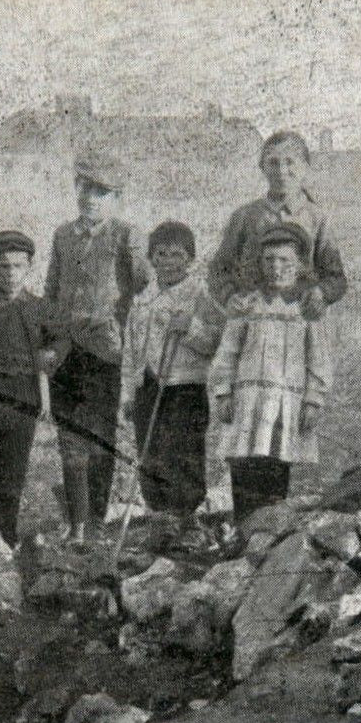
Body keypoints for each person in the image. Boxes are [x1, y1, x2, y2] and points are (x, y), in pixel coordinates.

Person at [43, 153, 152, 541]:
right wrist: (49, 342)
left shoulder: (125, 235)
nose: (90, 198)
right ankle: (76, 525)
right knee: (69, 439)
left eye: (101, 192)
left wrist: (141, 258)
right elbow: (52, 292)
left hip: (106, 351)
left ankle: (96, 522)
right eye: (85, 189)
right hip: (65, 352)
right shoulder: (62, 235)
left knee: (101, 439)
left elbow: (143, 284)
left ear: (116, 197)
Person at [208, 223, 334, 527]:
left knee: (275, 469)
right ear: (260, 263)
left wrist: (314, 400)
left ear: (300, 265)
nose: (276, 268)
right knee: (243, 466)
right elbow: (228, 351)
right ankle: (241, 531)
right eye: (269, 261)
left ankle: (266, 536)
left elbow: (319, 360)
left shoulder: (307, 309)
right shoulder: (247, 304)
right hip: (247, 402)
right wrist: (223, 392)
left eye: (285, 261)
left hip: (284, 406)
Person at [0, 229, 71, 546]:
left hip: (23, 396)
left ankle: (7, 538)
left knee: (13, 470)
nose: (10, 273)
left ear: (29, 268)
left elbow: (61, 338)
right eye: (3, 266)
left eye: (18, 266)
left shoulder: (38, 307)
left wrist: (52, 355)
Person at [118, 220, 225, 523]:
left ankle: (185, 519)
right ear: (151, 258)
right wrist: (129, 392)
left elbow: (216, 342)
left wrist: (190, 327)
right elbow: (130, 349)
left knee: (183, 455)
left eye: (177, 255)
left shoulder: (200, 296)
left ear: (190, 259)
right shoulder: (142, 299)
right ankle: (158, 518)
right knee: (150, 453)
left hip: (184, 388)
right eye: (161, 254)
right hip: (147, 386)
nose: (167, 262)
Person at [207, 129, 349, 317]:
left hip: (299, 319)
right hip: (252, 318)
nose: (281, 171)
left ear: (305, 167)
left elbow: (336, 278)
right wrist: (229, 297)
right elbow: (218, 270)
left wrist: (320, 293)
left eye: (290, 162)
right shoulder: (244, 216)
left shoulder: (317, 219)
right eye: (273, 162)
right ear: (262, 167)